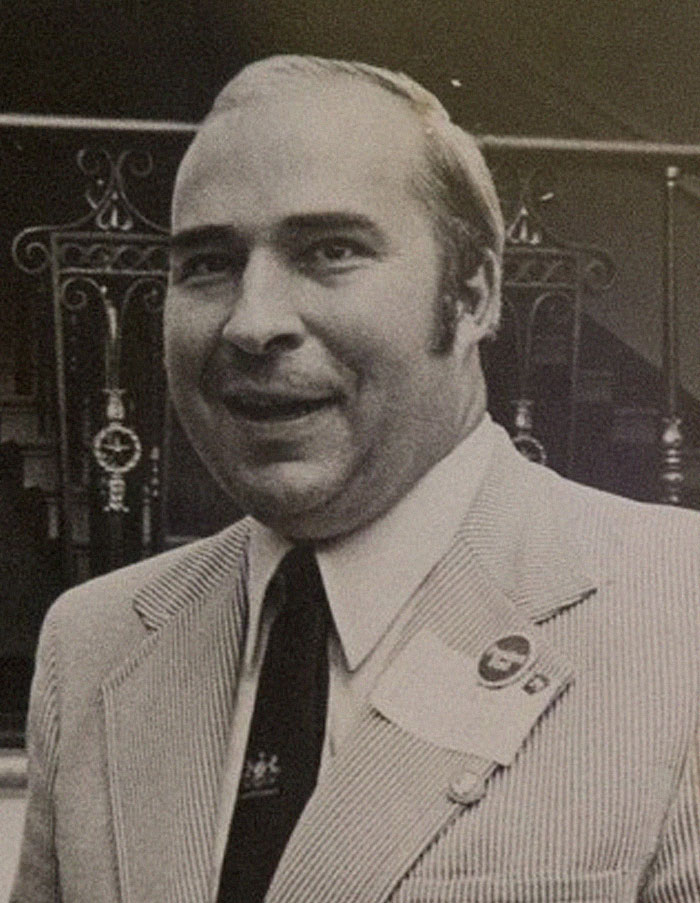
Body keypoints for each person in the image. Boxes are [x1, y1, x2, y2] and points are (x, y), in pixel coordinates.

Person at [11, 55, 700, 903]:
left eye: (331, 251)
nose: (253, 321)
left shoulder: (678, 617)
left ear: (475, 291)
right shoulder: (92, 644)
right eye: (206, 264)